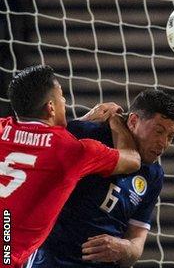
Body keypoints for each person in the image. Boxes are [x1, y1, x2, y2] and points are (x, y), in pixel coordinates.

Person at [0, 65, 141, 268]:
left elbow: (37, 141)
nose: (65, 103)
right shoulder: (72, 152)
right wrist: (115, 121)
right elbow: (133, 159)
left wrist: (83, 120)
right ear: (50, 107)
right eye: (62, 98)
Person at [27, 89, 174, 267]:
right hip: (52, 260)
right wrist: (84, 119)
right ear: (133, 120)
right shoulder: (87, 134)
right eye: (158, 131)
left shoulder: (154, 175)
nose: (163, 143)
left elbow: (136, 242)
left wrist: (125, 248)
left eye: (170, 136)